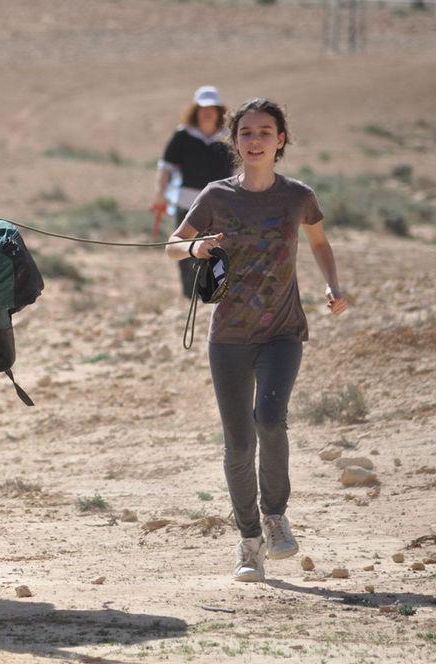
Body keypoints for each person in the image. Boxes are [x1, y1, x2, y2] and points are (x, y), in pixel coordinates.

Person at [165, 98, 348, 583]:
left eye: (265, 132)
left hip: (283, 330)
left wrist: (333, 285)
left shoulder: (298, 196)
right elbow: (170, 246)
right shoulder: (216, 196)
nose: (255, 140)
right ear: (235, 141)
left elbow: (320, 243)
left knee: (270, 418)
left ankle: (275, 516)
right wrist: (195, 246)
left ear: (281, 139)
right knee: (239, 443)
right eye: (246, 133)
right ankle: (249, 544)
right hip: (228, 336)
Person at [151, 86, 235, 298]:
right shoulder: (183, 136)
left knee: (217, 249)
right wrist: (160, 193)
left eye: (212, 108)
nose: (207, 112)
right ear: (196, 110)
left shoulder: (228, 138)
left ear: (219, 111)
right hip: (187, 202)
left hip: (220, 205)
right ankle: (189, 296)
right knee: (185, 248)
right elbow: (166, 166)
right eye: (202, 108)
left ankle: (214, 296)